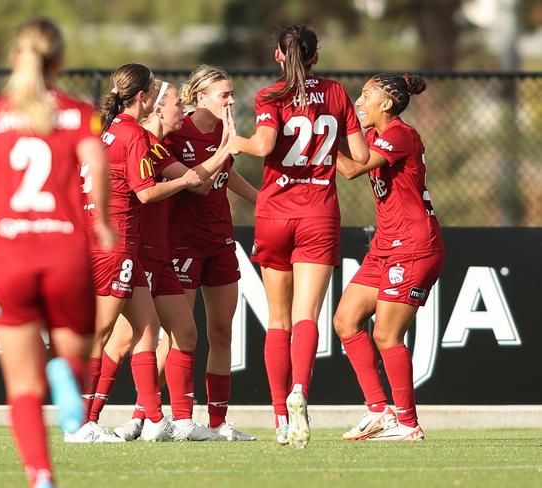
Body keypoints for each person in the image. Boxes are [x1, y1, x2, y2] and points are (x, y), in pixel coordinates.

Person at [0, 18, 111, 488]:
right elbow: (97, 162)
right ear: (59, 61)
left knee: (21, 387)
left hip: (9, 256)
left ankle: (41, 476)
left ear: (14, 58)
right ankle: (67, 377)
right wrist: (101, 221)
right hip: (65, 249)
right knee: (74, 354)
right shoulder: (80, 112)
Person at [229, 25, 369, 448]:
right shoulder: (337, 93)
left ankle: (278, 419)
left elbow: (264, 145)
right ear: (316, 57)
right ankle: (300, 393)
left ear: (277, 55)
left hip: (274, 213)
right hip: (319, 213)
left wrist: (231, 140)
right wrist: (326, 152)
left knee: (278, 319)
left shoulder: (270, 96)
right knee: (308, 316)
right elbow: (361, 158)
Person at [87, 80, 234, 441]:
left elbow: (194, 181)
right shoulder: (137, 138)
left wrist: (217, 156)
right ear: (153, 107)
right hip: (129, 249)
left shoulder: (150, 145)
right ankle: (90, 419)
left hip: (156, 253)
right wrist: (225, 148)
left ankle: (173, 420)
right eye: (175, 106)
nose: (181, 112)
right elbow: (151, 192)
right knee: (116, 338)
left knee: (181, 332)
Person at [67, 64, 203, 443]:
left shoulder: (108, 131)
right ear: (142, 97)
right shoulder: (133, 135)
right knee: (101, 332)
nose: (160, 94)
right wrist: (184, 180)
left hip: (102, 238)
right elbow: (144, 193)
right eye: (155, 88)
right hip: (118, 242)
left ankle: (156, 419)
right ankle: (80, 423)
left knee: (146, 328)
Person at [333, 73, 444, 441]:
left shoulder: (399, 134)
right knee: (346, 321)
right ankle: (380, 412)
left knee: (386, 334)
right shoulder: (372, 135)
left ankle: (409, 424)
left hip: (414, 246)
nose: (359, 101)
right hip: (385, 246)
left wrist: (322, 139)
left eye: (366, 96)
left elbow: (349, 169)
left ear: (386, 104)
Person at [163, 65, 258, 442]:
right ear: (200, 97)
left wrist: (263, 202)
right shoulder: (177, 130)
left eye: (232, 93)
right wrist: (226, 147)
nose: (232, 100)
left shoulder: (224, 132)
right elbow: (197, 185)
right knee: (179, 335)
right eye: (224, 95)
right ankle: (163, 416)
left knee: (221, 332)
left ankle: (218, 422)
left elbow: (227, 174)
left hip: (220, 241)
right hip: (182, 243)